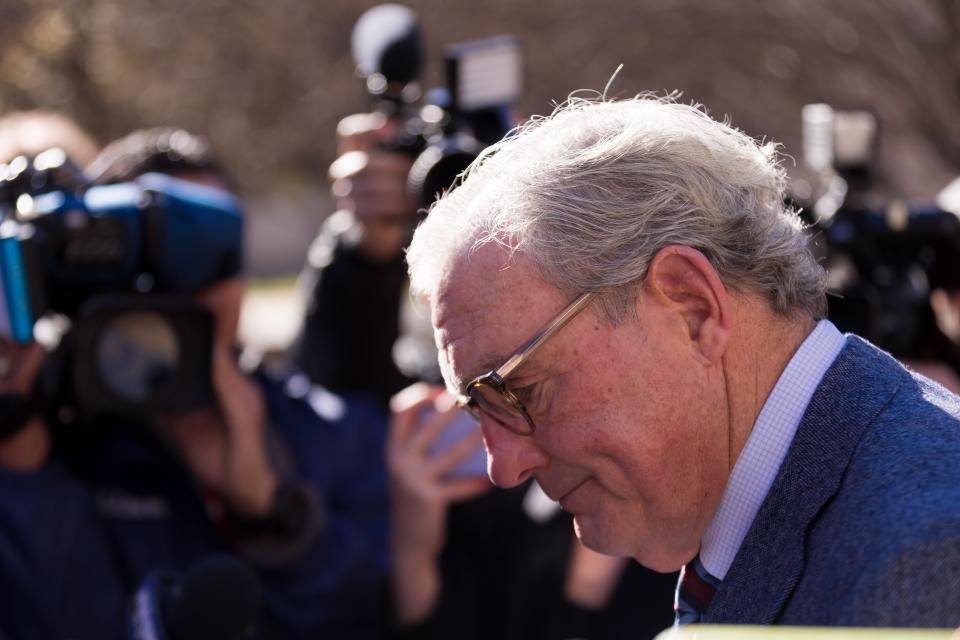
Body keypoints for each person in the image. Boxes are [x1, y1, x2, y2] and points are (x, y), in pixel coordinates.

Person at [402, 94, 960, 627]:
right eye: (479, 409)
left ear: (692, 307)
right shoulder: (828, 512)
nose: (504, 466)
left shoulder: (924, 556)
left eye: (520, 391)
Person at [0, 124, 389, 639]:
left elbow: (365, 623)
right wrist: (24, 463)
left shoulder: (337, 435)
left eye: (208, 248)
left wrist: (272, 515)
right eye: (153, 260)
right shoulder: (53, 446)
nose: (186, 290)